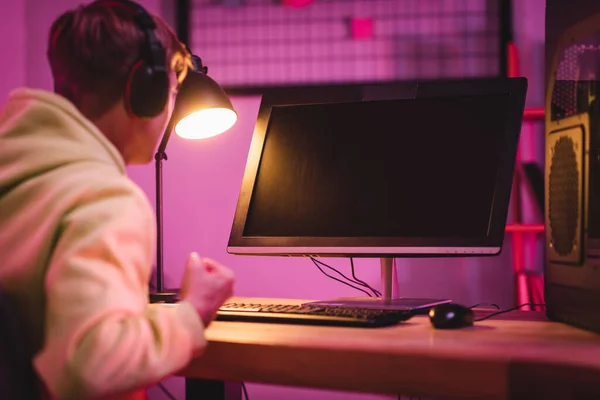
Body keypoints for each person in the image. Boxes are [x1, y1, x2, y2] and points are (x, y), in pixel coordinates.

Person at [0, 0, 235, 399]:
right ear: (143, 92)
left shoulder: (18, 175)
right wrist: (192, 312)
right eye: (173, 90)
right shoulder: (105, 199)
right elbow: (92, 367)